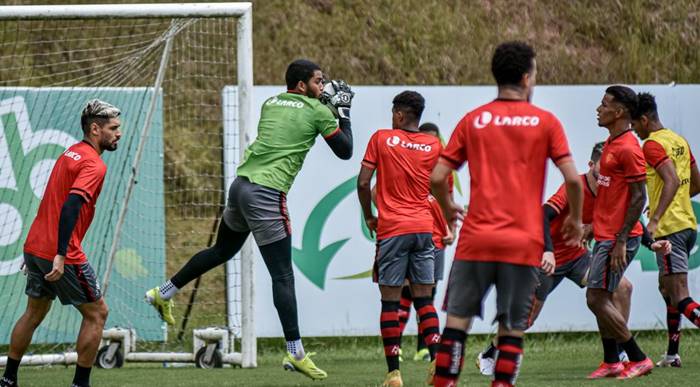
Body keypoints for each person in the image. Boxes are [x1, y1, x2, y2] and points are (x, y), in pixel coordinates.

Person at [145, 59, 354, 380]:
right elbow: (345, 150)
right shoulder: (317, 112)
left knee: (222, 251)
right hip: (267, 195)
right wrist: (343, 112)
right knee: (283, 276)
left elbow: (295, 118)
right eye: (318, 82)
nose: (323, 87)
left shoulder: (272, 103)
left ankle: (165, 292)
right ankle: (296, 352)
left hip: (240, 186)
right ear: (301, 85)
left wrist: (324, 102)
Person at [429, 41, 584, 387]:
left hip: (476, 240)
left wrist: (447, 205)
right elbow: (573, 179)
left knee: (456, 324)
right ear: (527, 78)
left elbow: (438, 177)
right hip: (523, 242)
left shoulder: (473, 120)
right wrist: (575, 218)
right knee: (511, 329)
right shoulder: (546, 122)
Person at [476, 142, 670, 376]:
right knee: (526, 319)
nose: (606, 176)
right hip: (547, 259)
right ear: (591, 165)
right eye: (602, 170)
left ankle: (618, 352)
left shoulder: (611, 188)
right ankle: (490, 352)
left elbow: (629, 218)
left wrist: (651, 244)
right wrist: (547, 252)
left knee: (622, 289)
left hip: (578, 257)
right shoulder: (574, 186)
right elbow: (542, 216)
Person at [1, 100, 120, 387]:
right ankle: (80, 384)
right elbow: (70, 206)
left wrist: (37, 251)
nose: (118, 133)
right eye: (113, 128)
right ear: (95, 129)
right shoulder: (94, 164)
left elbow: (53, 201)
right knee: (97, 313)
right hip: (60, 251)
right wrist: (60, 254)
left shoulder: (70, 154)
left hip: (36, 246)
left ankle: (8, 380)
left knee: (34, 312)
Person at [357, 91, 442, 387]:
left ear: (400, 115)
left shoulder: (381, 138)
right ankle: (436, 364)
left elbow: (364, 182)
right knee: (424, 300)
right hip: (423, 228)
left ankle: (394, 373)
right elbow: (440, 186)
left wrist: (369, 215)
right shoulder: (433, 144)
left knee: (390, 303)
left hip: (392, 229)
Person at [586, 85, 652, 379]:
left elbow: (640, 197)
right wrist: (592, 226)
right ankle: (611, 361)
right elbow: (612, 195)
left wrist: (622, 239)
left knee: (596, 298)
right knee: (602, 296)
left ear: (620, 112)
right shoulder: (611, 143)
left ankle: (637, 357)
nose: (599, 109)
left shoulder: (628, 148)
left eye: (604, 105)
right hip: (605, 233)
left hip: (618, 237)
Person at [632, 92, 700, 367]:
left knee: (680, 294)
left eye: (635, 124)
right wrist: (675, 203)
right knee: (666, 288)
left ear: (645, 120)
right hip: (687, 225)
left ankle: (672, 354)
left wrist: (657, 216)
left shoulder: (651, 145)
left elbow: (670, 180)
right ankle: (672, 354)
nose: (634, 131)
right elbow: (696, 183)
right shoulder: (678, 140)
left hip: (670, 229)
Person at [395, 123, 455, 363]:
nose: (431, 146)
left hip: (436, 237)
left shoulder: (444, 171)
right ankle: (396, 347)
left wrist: (451, 229)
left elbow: (447, 200)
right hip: (411, 231)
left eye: (435, 141)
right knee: (405, 290)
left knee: (428, 292)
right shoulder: (406, 165)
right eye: (426, 141)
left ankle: (424, 348)